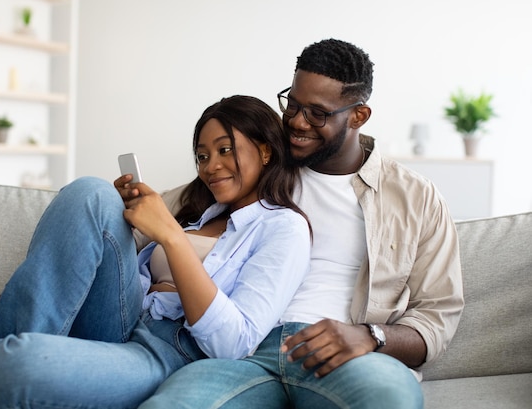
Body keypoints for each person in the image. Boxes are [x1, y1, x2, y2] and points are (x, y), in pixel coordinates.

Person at [0, 95, 312, 409]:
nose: (210, 166)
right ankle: (15, 344)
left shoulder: (285, 228)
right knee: (93, 192)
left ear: (264, 150)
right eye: (202, 156)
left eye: (225, 150)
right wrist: (127, 219)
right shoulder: (196, 214)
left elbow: (233, 342)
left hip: (165, 352)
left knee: (28, 363)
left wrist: (170, 235)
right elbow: (107, 263)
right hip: (121, 319)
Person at [139, 38, 464, 408]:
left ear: (358, 116)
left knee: (390, 399)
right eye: (291, 104)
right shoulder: (261, 166)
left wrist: (369, 336)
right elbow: (157, 215)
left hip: (341, 357)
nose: (296, 121)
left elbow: (438, 316)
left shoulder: (414, 198)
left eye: (317, 113)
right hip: (244, 353)